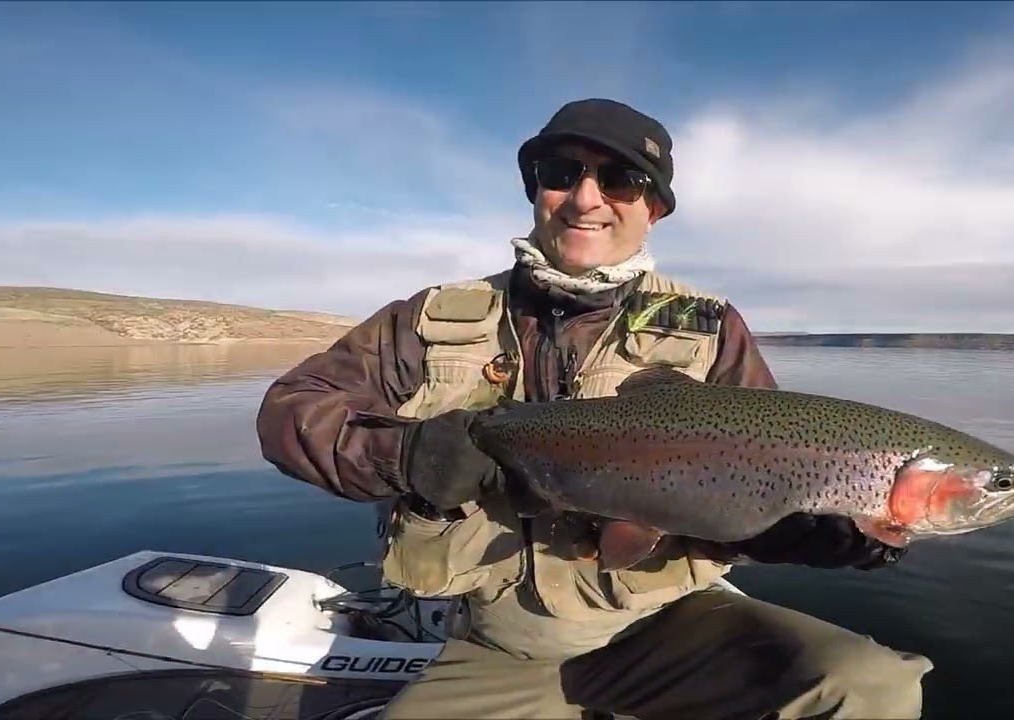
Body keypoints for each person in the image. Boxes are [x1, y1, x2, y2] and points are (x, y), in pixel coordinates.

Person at [255, 98, 933, 720]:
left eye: (621, 181)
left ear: (654, 208)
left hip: (667, 625)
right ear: (535, 189)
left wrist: (799, 532)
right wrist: (403, 455)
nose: (586, 199)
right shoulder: (430, 318)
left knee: (868, 685)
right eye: (562, 171)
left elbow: (762, 473)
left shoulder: (709, 327)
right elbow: (292, 412)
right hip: (501, 642)